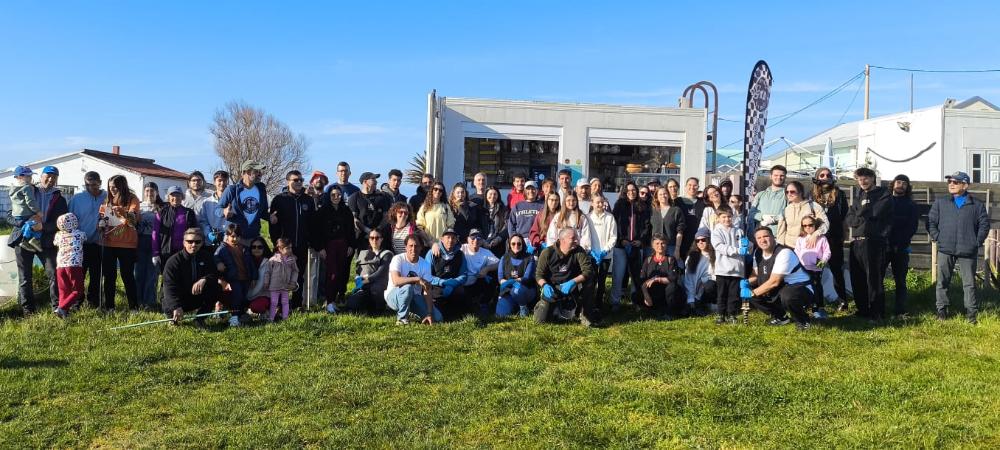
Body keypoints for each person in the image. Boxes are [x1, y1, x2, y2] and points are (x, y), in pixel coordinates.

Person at [927, 171, 990, 324]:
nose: (951, 184)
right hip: (945, 248)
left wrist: (976, 241)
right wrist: (938, 237)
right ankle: (942, 311)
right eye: (949, 182)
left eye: (955, 182)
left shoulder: (976, 204)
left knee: (969, 284)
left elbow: (984, 225)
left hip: (968, 250)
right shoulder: (941, 203)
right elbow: (931, 222)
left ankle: (971, 314)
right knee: (942, 282)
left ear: (965, 185)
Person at [12, 166, 67, 315]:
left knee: (54, 274)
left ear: (57, 179)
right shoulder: (26, 189)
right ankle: (28, 311)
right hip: (24, 240)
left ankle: (57, 307)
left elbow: (60, 223)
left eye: (54, 177)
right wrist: (26, 223)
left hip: (47, 243)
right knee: (25, 278)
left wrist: (42, 226)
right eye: (47, 176)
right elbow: (12, 215)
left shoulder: (60, 199)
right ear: (41, 176)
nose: (50, 180)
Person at [845, 167, 893, 322]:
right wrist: (861, 218)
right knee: (857, 277)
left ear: (873, 178)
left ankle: (877, 313)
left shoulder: (883, 194)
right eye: (859, 179)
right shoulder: (859, 195)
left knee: (873, 279)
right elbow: (850, 219)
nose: (862, 181)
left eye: (865, 178)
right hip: (857, 242)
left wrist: (861, 216)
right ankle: (863, 310)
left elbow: (874, 213)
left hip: (873, 242)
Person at [269, 170, 323, 309]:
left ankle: (297, 304)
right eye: (295, 180)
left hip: (302, 245)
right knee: (281, 277)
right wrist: (277, 243)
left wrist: (313, 243)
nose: (299, 182)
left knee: (298, 276)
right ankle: (281, 306)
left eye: (300, 179)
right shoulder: (279, 199)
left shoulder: (308, 200)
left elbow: (313, 224)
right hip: (284, 247)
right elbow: (273, 224)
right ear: (288, 181)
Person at [747, 226, 814, 330]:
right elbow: (755, 275)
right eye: (759, 238)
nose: (762, 240)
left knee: (788, 295)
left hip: (800, 289)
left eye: (766, 236)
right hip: (781, 288)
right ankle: (781, 317)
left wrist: (753, 293)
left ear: (773, 237)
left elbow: (774, 281)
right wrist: (744, 284)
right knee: (750, 290)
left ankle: (803, 321)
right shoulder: (758, 252)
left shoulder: (784, 252)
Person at [161, 228, 227, 327]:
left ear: (202, 243)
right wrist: (176, 306)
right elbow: (169, 287)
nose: (193, 245)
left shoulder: (207, 257)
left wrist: (204, 279)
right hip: (178, 298)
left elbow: (214, 274)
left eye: (197, 242)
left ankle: (199, 319)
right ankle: (173, 318)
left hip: (196, 296)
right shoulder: (173, 261)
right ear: (184, 243)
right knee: (167, 300)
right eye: (190, 241)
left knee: (216, 287)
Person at [535, 227, 597, 326]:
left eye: (577, 237)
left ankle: (585, 314)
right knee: (541, 321)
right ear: (562, 240)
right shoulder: (547, 252)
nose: (576, 240)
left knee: (589, 282)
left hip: (571, 288)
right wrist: (545, 285)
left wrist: (573, 282)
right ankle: (545, 306)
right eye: (573, 238)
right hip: (552, 289)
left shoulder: (579, 251)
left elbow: (588, 270)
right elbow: (538, 275)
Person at [98, 174, 140, 310]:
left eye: (115, 187)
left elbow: (134, 221)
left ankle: (134, 307)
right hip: (108, 243)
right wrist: (101, 224)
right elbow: (102, 219)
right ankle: (109, 307)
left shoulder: (132, 199)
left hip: (127, 244)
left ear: (122, 186)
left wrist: (123, 212)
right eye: (110, 187)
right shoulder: (106, 201)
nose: (112, 190)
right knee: (109, 277)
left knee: (127, 276)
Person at [811, 167, 849, 308]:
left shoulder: (840, 195)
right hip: (817, 239)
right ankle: (816, 302)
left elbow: (844, 217)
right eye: (822, 175)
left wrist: (844, 235)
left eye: (828, 175)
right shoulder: (811, 196)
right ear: (817, 178)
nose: (825, 177)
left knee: (836, 270)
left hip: (834, 238)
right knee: (816, 271)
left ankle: (843, 300)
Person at [68, 170, 105, 308]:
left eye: (95, 185)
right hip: (79, 244)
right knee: (79, 275)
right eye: (88, 185)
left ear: (100, 183)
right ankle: (77, 302)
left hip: (98, 243)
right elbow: (69, 221)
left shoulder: (106, 197)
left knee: (96, 275)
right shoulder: (76, 199)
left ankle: (94, 302)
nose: (91, 188)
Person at [385, 235, 440, 325]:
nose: (413, 249)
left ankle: (412, 312)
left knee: (438, 318)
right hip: (394, 295)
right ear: (405, 247)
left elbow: (428, 290)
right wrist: (417, 279)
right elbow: (396, 281)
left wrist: (429, 313)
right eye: (411, 246)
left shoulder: (425, 264)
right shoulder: (397, 259)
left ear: (421, 248)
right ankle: (402, 319)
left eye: (416, 246)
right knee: (407, 288)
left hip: (415, 297)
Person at [611, 181, 650, 308]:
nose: (631, 192)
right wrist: (621, 240)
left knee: (636, 276)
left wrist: (641, 240)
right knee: (618, 275)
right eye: (628, 190)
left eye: (633, 190)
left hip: (636, 246)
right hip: (621, 246)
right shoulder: (619, 205)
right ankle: (615, 302)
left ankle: (636, 301)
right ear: (624, 192)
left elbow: (647, 226)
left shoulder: (642, 206)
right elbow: (614, 224)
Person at [885, 174, 919, 318]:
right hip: (883, 246)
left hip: (901, 247)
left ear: (907, 187)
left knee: (900, 280)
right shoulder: (884, 201)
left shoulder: (911, 205)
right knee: (877, 277)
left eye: (904, 183)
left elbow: (912, 227)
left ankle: (900, 310)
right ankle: (877, 309)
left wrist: (901, 242)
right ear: (893, 184)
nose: (901, 185)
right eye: (898, 182)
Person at [214, 223, 258, 326]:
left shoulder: (245, 249)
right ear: (227, 236)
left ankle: (240, 315)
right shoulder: (223, 248)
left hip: (245, 278)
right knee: (236, 297)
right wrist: (218, 263)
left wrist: (254, 277)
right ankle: (234, 318)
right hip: (234, 278)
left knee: (243, 297)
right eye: (232, 236)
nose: (235, 239)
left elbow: (251, 264)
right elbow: (215, 257)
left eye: (238, 236)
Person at [320, 185, 356, 307]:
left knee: (341, 272)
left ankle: (335, 299)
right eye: (333, 195)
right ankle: (329, 300)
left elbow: (351, 230)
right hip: (329, 246)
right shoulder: (323, 211)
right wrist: (320, 248)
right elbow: (317, 230)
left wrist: (351, 245)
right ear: (328, 196)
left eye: (338, 195)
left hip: (343, 245)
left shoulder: (346, 210)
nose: (336, 197)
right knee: (332, 273)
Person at [217, 160, 269, 244]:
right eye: (256, 171)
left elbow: (263, 213)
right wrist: (224, 211)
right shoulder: (232, 190)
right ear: (246, 172)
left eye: (260, 171)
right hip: (234, 238)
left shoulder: (261, 189)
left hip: (254, 238)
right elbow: (217, 209)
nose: (260, 174)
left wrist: (270, 217)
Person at [346, 229, 394, 314]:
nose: (374, 240)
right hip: (364, 286)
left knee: (375, 291)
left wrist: (363, 281)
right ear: (369, 239)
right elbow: (358, 270)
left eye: (377, 238)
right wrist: (358, 280)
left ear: (381, 239)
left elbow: (380, 273)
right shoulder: (363, 253)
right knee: (352, 302)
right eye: (372, 238)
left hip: (378, 287)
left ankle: (379, 308)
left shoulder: (387, 254)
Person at [712, 208, 747, 324]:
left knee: (734, 294)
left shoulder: (739, 231)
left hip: (737, 269)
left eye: (729, 216)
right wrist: (737, 250)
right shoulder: (716, 232)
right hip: (722, 269)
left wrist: (748, 246)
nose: (727, 219)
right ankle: (721, 315)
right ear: (718, 218)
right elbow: (719, 246)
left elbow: (745, 245)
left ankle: (732, 314)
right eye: (724, 217)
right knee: (721, 294)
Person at [153, 186, 198, 277]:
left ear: (182, 197)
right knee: (167, 279)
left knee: (184, 278)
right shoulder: (161, 212)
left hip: (184, 252)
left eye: (178, 195)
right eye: (172, 195)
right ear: (168, 197)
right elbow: (155, 233)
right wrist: (155, 253)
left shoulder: (189, 213)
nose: (175, 198)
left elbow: (195, 233)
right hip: (166, 252)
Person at [425, 228, 469, 319]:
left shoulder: (460, 254)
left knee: (461, 293)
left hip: (453, 285)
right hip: (436, 285)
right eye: (448, 237)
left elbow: (464, 275)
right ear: (442, 239)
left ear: (456, 240)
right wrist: (442, 282)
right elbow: (426, 275)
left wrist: (452, 283)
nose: (450, 240)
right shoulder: (431, 253)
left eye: (453, 238)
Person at [639, 233, 685, 320]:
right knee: (635, 295)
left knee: (672, 287)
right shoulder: (648, 260)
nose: (660, 246)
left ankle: (669, 313)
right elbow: (642, 280)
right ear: (652, 245)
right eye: (657, 243)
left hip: (667, 293)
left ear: (666, 245)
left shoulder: (671, 260)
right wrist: (646, 294)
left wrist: (657, 279)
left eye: (663, 243)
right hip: (652, 292)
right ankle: (650, 310)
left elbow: (673, 279)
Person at [794, 216, 831, 319]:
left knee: (816, 287)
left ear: (815, 225)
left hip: (816, 269)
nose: (808, 227)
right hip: (803, 268)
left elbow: (827, 252)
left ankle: (819, 308)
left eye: (810, 225)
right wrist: (798, 266)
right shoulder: (800, 239)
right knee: (804, 287)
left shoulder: (822, 238)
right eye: (805, 225)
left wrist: (822, 262)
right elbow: (796, 252)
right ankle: (806, 306)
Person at [460, 229, 501, 317]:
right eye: (473, 238)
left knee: (492, 276)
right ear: (468, 239)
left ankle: (484, 303)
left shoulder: (485, 252)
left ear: (482, 241)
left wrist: (487, 268)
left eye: (479, 238)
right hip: (462, 282)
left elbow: (499, 263)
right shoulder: (462, 248)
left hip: (477, 281)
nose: (475, 240)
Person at [52, 212, 86, 319]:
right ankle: (62, 308)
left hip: (60, 266)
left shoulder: (58, 235)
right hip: (74, 265)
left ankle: (63, 313)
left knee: (64, 291)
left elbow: (55, 243)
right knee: (78, 290)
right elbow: (86, 239)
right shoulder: (80, 234)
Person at [494, 234, 537, 318]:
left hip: (525, 289)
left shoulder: (529, 258)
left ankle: (523, 307)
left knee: (516, 290)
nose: (516, 246)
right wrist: (511, 282)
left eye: (519, 244)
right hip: (508, 290)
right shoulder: (504, 258)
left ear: (523, 244)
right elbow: (500, 278)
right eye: (513, 243)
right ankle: (515, 306)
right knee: (501, 315)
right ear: (509, 245)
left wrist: (512, 281)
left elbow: (526, 278)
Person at [777, 180, 828, 249]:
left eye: (792, 191)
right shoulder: (786, 209)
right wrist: (780, 248)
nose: (789, 194)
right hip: (788, 247)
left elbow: (825, 223)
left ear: (800, 192)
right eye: (787, 192)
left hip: (807, 246)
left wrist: (815, 234)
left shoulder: (813, 206)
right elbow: (781, 231)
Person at [588, 195, 617, 308]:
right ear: (592, 203)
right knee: (592, 280)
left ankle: (599, 304)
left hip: (605, 256)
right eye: (597, 202)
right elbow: (585, 236)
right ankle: (590, 304)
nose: (600, 205)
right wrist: (590, 251)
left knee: (602, 281)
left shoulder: (610, 218)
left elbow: (613, 237)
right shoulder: (588, 217)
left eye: (601, 202)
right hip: (592, 255)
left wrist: (605, 251)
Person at [262, 238, 299, 322]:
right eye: (287, 248)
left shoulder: (292, 260)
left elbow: (295, 271)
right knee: (274, 302)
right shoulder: (273, 260)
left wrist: (293, 281)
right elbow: (267, 272)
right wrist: (266, 282)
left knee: (285, 302)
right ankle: (271, 318)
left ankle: (285, 318)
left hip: (286, 286)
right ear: (280, 249)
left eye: (291, 248)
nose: (290, 250)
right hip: (274, 286)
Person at [347, 172, 392, 242]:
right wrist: (367, 230)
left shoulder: (382, 197)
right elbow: (354, 218)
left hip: (379, 238)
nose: (376, 182)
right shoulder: (354, 197)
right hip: (361, 239)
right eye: (373, 179)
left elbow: (386, 216)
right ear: (365, 182)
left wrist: (377, 230)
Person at [8, 165, 43, 253]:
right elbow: (30, 202)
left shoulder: (12, 188)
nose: (30, 178)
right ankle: (32, 240)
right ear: (19, 177)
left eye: (30, 175)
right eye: (28, 176)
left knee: (27, 224)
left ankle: (25, 240)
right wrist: (38, 211)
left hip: (16, 214)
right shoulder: (26, 187)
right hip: (26, 213)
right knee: (34, 223)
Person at [684, 227, 716, 315]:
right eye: (697, 241)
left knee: (710, 284)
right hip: (694, 292)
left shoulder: (716, 255)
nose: (700, 242)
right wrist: (691, 299)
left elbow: (715, 276)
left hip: (709, 289)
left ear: (708, 240)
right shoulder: (691, 257)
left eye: (703, 240)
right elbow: (688, 279)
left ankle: (709, 305)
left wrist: (703, 281)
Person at [649, 186, 685, 262]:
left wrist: (677, 249)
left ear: (668, 195)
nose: (663, 196)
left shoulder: (676, 210)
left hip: (671, 247)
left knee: (674, 269)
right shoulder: (652, 211)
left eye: (665, 193)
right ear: (656, 197)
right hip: (655, 248)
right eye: (660, 194)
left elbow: (680, 231)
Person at [751, 165, 788, 235]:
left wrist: (774, 219)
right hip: (760, 237)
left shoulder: (788, 195)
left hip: (778, 237)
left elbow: (791, 214)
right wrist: (762, 216)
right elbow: (751, 213)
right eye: (776, 175)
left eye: (782, 175)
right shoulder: (760, 195)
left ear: (785, 177)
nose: (779, 178)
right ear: (771, 176)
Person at [506, 181, 542, 249]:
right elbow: (511, 224)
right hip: (519, 241)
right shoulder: (517, 206)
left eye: (533, 189)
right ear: (524, 191)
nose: (531, 191)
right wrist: (515, 238)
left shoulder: (542, 206)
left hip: (536, 241)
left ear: (537, 191)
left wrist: (539, 240)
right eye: (528, 189)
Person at [199, 170, 230, 248]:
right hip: (211, 242)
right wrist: (208, 234)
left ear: (227, 182)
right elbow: (203, 221)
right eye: (219, 180)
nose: (222, 183)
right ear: (214, 182)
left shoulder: (234, 201)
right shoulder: (206, 202)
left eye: (224, 180)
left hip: (229, 241)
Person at [678, 177, 705, 257]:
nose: (692, 187)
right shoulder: (678, 201)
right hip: (681, 240)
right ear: (685, 186)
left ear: (698, 187)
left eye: (695, 185)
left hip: (698, 240)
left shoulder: (702, 203)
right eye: (689, 185)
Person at [481, 186, 509, 258]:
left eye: (495, 194)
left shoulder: (503, 209)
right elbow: (477, 225)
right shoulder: (480, 209)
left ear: (498, 195)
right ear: (486, 195)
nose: (492, 196)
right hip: (482, 243)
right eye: (490, 194)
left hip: (498, 243)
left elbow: (506, 226)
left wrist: (498, 239)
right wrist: (483, 241)